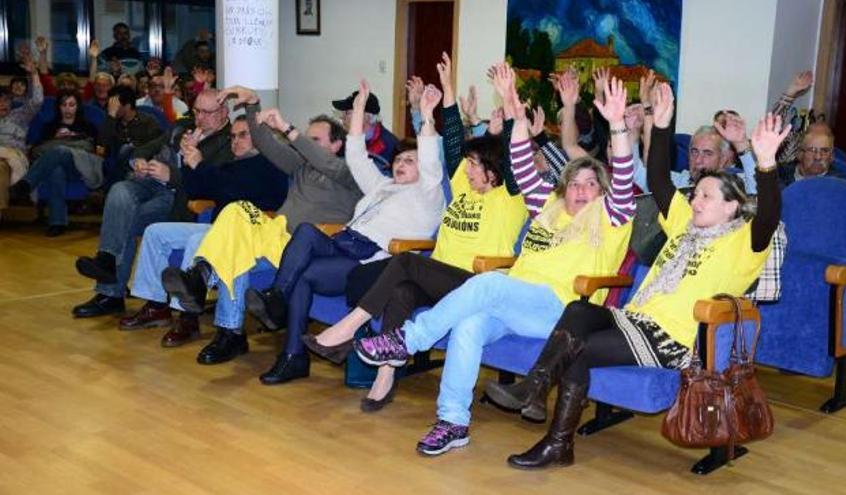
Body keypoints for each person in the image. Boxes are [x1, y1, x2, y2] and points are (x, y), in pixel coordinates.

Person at [487, 83, 788, 469]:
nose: (695, 200)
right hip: (637, 320)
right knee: (580, 312)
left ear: (732, 207)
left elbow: (768, 216)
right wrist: (660, 125)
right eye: (696, 194)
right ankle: (539, 398)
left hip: (671, 339)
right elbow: (660, 182)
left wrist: (764, 161)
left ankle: (551, 430)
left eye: (707, 197)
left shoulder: (745, 243)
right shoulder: (684, 225)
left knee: (577, 347)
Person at [353, 72, 636, 456]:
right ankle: (452, 421)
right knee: (468, 326)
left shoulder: (613, 216)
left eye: (590, 184)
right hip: (516, 304)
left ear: (603, 191)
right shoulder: (548, 208)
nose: (581, 190)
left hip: (560, 309)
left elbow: (623, 172)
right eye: (574, 183)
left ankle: (407, 339)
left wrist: (617, 124)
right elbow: (519, 163)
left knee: (488, 283)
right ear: (563, 187)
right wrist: (515, 113)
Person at [167, 79, 446, 374]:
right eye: (399, 158)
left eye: (316, 142)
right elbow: (268, 143)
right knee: (237, 211)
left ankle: (244, 323)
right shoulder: (379, 185)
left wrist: (425, 114)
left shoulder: (355, 177)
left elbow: (353, 159)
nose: (401, 162)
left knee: (262, 246)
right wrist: (252, 106)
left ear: (333, 145)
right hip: (299, 236)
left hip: (342, 250)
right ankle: (202, 277)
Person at [304, 54, 528, 408]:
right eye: (466, 165)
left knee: (406, 263)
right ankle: (385, 374)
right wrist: (447, 90)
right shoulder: (462, 184)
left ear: (493, 169)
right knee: (402, 290)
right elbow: (453, 139)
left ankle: (348, 328)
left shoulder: (511, 197)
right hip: (441, 277)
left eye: (473, 166)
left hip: (475, 283)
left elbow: (517, 154)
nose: (465, 171)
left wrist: (510, 98)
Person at [119, 116, 288, 345]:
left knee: (197, 239)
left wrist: (200, 164)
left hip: (244, 235)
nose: (235, 141)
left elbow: (234, 191)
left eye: (243, 135)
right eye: (233, 136)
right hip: (216, 227)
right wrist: (190, 160)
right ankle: (156, 305)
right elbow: (196, 190)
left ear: (262, 138)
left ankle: (188, 317)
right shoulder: (232, 164)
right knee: (155, 232)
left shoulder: (270, 165)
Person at [71, 89, 234, 318]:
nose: (200, 118)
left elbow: (213, 183)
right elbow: (149, 145)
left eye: (207, 113)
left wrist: (173, 175)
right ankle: (106, 260)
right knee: (120, 192)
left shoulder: (230, 141)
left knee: (125, 218)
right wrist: (139, 159)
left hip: (180, 197)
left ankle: (110, 293)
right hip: (151, 183)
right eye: (197, 111)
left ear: (223, 112)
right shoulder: (184, 125)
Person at [11, 91, 99, 236]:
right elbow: (36, 151)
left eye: (71, 105)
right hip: (54, 167)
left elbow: (90, 148)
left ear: (77, 107)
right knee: (56, 170)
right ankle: (57, 223)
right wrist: (57, 139)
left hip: (79, 168)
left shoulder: (87, 126)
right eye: (64, 105)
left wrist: (60, 144)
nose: (67, 109)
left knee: (60, 150)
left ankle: (27, 184)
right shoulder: (49, 127)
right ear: (59, 107)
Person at [0, 55, 42, 221]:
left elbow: (37, 101)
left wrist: (34, 74)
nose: (3, 104)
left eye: (6, 101)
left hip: (14, 155)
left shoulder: (20, 115)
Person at [332, 87, 398, 167]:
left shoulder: (388, 146)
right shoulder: (344, 138)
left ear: (367, 116)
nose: (342, 117)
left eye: (347, 113)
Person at [778, 125, 846, 187]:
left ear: (831, 156)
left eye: (824, 151)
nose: (818, 157)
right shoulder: (779, 175)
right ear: (799, 154)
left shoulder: (841, 184)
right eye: (812, 150)